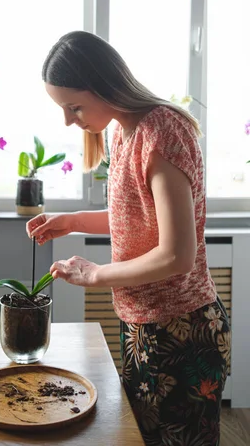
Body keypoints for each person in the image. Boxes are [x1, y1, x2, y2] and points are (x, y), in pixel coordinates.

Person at [26, 30, 230, 446]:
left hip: (182, 331)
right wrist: (74, 220)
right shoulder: (123, 132)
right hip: (143, 323)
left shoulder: (162, 132)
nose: (69, 120)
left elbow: (177, 255)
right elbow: (136, 218)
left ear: (104, 86)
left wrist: (97, 276)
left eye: (74, 106)